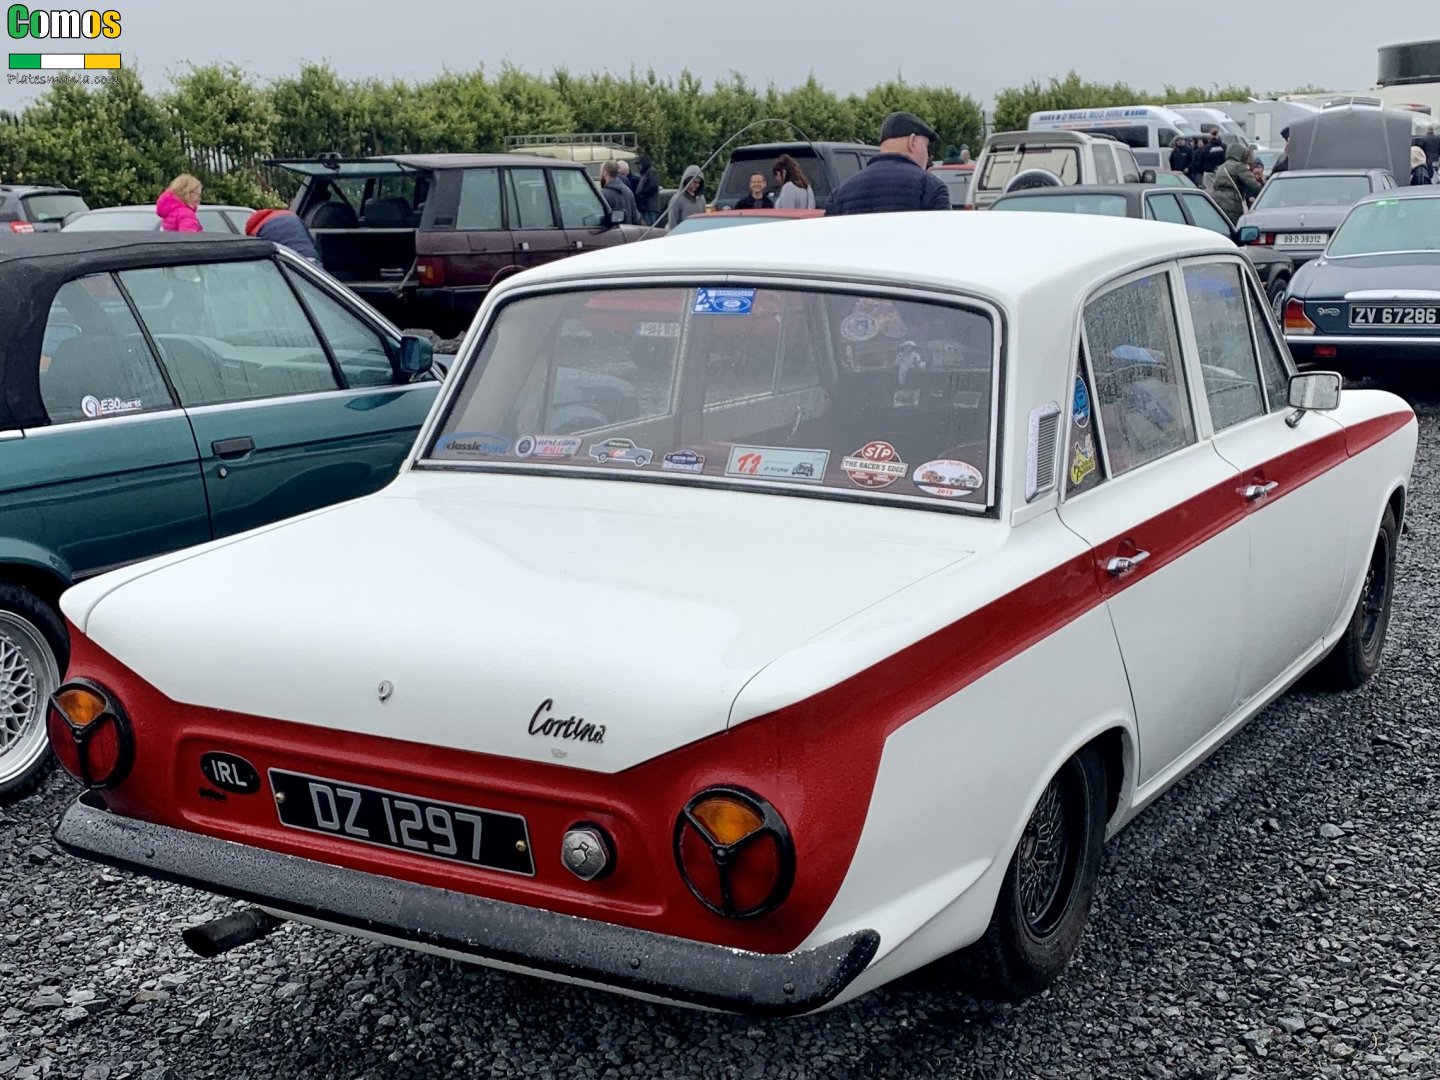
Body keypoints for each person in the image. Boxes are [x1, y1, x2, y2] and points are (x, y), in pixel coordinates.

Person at [825, 111, 950, 216]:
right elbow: (943, 238)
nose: (927, 155)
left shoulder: (841, 193)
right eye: (926, 147)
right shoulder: (930, 187)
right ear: (912, 142)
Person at [244, 207, 320, 264]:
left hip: (294, 264)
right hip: (311, 261)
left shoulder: (256, 231)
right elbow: (311, 239)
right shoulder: (288, 214)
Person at [1211, 143, 1262, 225]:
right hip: (1232, 204)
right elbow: (1254, 185)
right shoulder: (1239, 167)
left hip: (1216, 202)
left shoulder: (1220, 167)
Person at [599, 160, 640, 224]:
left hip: (610, 232)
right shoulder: (628, 191)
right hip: (628, 231)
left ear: (605, 172)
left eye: (601, 171)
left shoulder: (604, 194)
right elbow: (635, 217)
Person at [633, 154, 661, 225]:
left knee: (650, 227)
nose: (638, 166)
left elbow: (653, 187)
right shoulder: (645, 173)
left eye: (639, 164)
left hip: (650, 207)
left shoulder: (652, 172)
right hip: (645, 207)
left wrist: (642, 193)